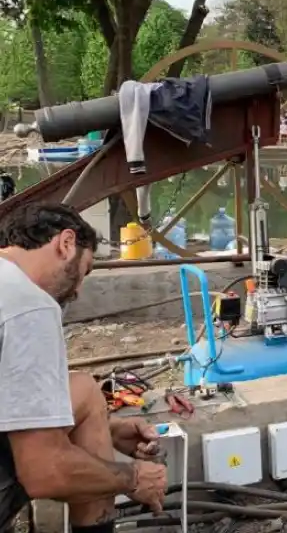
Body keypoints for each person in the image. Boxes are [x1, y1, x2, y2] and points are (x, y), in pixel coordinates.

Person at [0, 203, 167, 533]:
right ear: (65, 243)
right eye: (85, 270)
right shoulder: (27, 304)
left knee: (81, 390)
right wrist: (133, 478)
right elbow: (45, 472)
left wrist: (105, 426)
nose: (77, 291)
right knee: (87, 392)